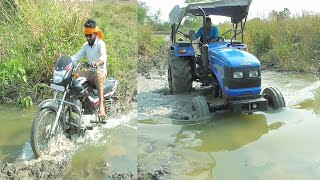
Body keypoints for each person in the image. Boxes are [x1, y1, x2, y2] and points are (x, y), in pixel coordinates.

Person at [71, 19, 107, 118]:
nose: (88, 38)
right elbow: (75, 57)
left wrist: (98, 63)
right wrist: (65, 62)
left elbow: (103, 57)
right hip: (90, 73)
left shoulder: (101, 44)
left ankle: (101, 107)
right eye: (86, 36)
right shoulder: (86, 46)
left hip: (100, 72)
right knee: (73, 75)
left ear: (95, 34)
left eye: (90, 35)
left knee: (98, 74)